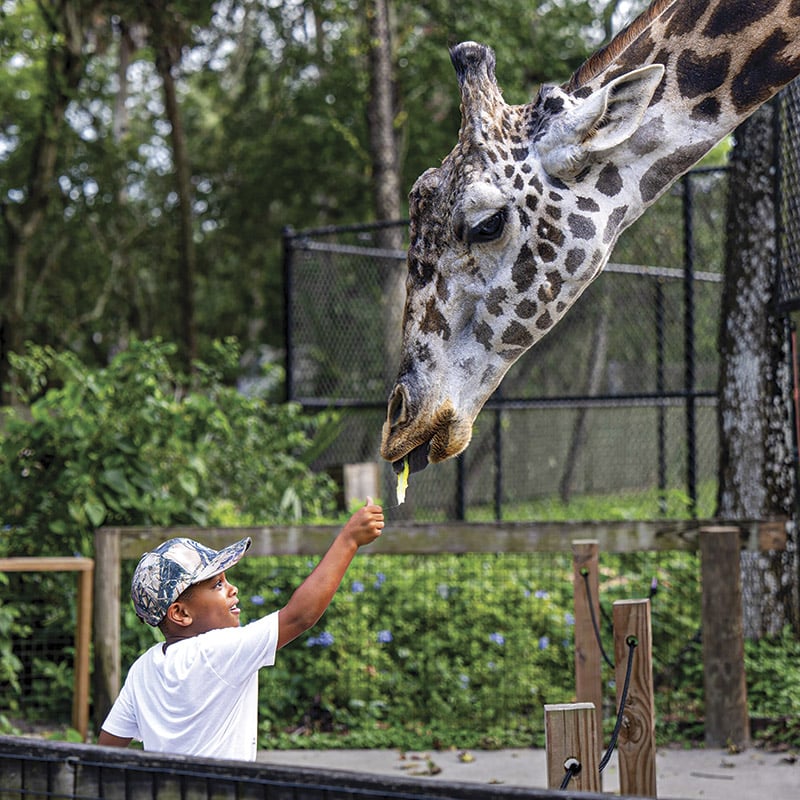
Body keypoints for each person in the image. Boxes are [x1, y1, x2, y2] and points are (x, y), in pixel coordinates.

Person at [97, 498, 384, 761]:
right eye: (217, 585)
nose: (232, 588)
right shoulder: (219, 650)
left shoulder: (144, 668)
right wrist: (349, 540)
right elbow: (300, 617)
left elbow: (108, 748)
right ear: (180, 613)